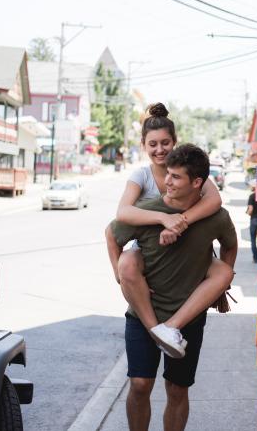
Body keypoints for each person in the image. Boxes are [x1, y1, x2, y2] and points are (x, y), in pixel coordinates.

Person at [108, 144, 238, 431]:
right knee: (140, 384)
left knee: (177, 389)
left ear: (196, 183)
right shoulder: (146, 211)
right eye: (167, 174)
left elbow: (230, 245)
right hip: (144, 316)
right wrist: (124, 279)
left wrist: (220, 290)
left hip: (188, 320)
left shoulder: (216, 217)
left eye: (176, 177)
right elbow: (112, 235)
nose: (167, 181)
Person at [104, 103, 233, 358]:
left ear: (174, 142)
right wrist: (163, 218)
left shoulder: (191, 170)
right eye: (152, 144)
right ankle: (156, 330)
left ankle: (169, 329)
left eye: (165, 143)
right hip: (151, 251)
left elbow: (214, 201)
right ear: (143, 145)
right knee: (127, 261)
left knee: (224, 272)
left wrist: (181, 221)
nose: (159, 149)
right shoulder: (141, 176)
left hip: (190, 252)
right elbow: (122, 214)